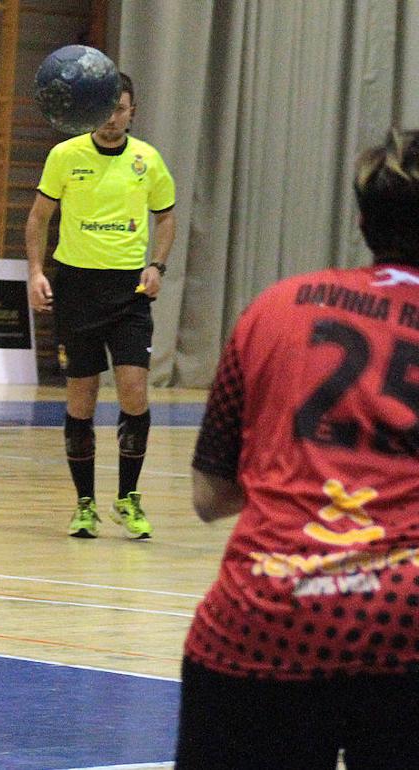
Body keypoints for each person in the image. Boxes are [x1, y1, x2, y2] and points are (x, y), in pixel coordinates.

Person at [178, 130, 419, 768]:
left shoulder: (276, 308)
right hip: (408, 624)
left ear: (363, 222)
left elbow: (210, 495)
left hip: (265, 618)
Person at [25, 72, 176, 539]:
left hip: (129, 293)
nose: (113, 118)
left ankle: (128, 498)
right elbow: (39, 218)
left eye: (121, 109)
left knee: (134, 391)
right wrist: (36, 272)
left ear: (133, 112)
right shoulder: (65, 156)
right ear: (93, 111)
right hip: (76, 289)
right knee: (81, 397)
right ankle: (84, 503)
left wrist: (157, 265)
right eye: (106, 109)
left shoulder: (148, 160)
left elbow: (166, 217)